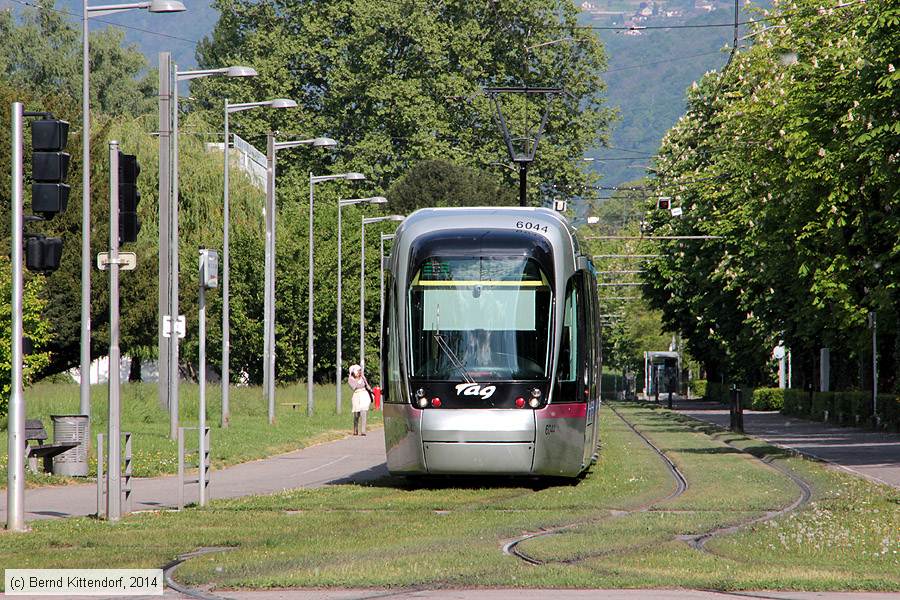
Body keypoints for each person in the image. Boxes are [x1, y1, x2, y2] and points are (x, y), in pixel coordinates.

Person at [348, 364, 372, 435]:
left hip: (364, 394)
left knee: (363, 412)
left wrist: (371, 391)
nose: (360, 372)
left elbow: (367, 385)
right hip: (356, 395)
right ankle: (355, 429)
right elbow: (354, 387)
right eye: (358, 371)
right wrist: (358, 380)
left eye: (360, 371)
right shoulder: (350, 379)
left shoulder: (363, 377)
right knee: (356, 414)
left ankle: (363, 431)